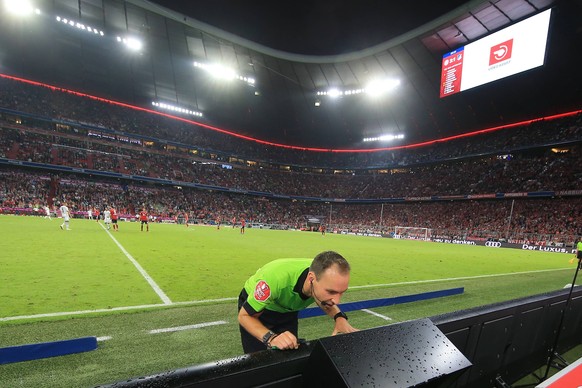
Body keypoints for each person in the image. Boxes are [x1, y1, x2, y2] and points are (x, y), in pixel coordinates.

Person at [237, 251, 357, 353]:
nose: (337, 300)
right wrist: (271, 338)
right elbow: (244, 316)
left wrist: (339, 317)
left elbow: (327, 301)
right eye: (331, 292)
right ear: (311, 279)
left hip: (289, 310)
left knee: (290, 351)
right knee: (258, 359)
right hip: (259, 309)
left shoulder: (322, 276)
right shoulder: (276, 279)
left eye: (342, 292)